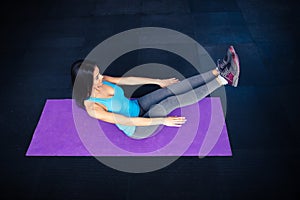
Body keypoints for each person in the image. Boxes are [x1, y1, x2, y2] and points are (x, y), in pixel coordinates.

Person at [71, 46, 240, 139]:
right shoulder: (93, 107)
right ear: (86, 83)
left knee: (170, 90)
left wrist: (157, 82)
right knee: (170, 102)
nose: (101, 77)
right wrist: (163, 120)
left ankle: (217, 71)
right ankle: (225, 79)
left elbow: (128, 80)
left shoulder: (101, 80)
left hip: (137, 105)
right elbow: (128, 121)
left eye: (99, 73)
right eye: (97, 77)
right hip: (137, 128)